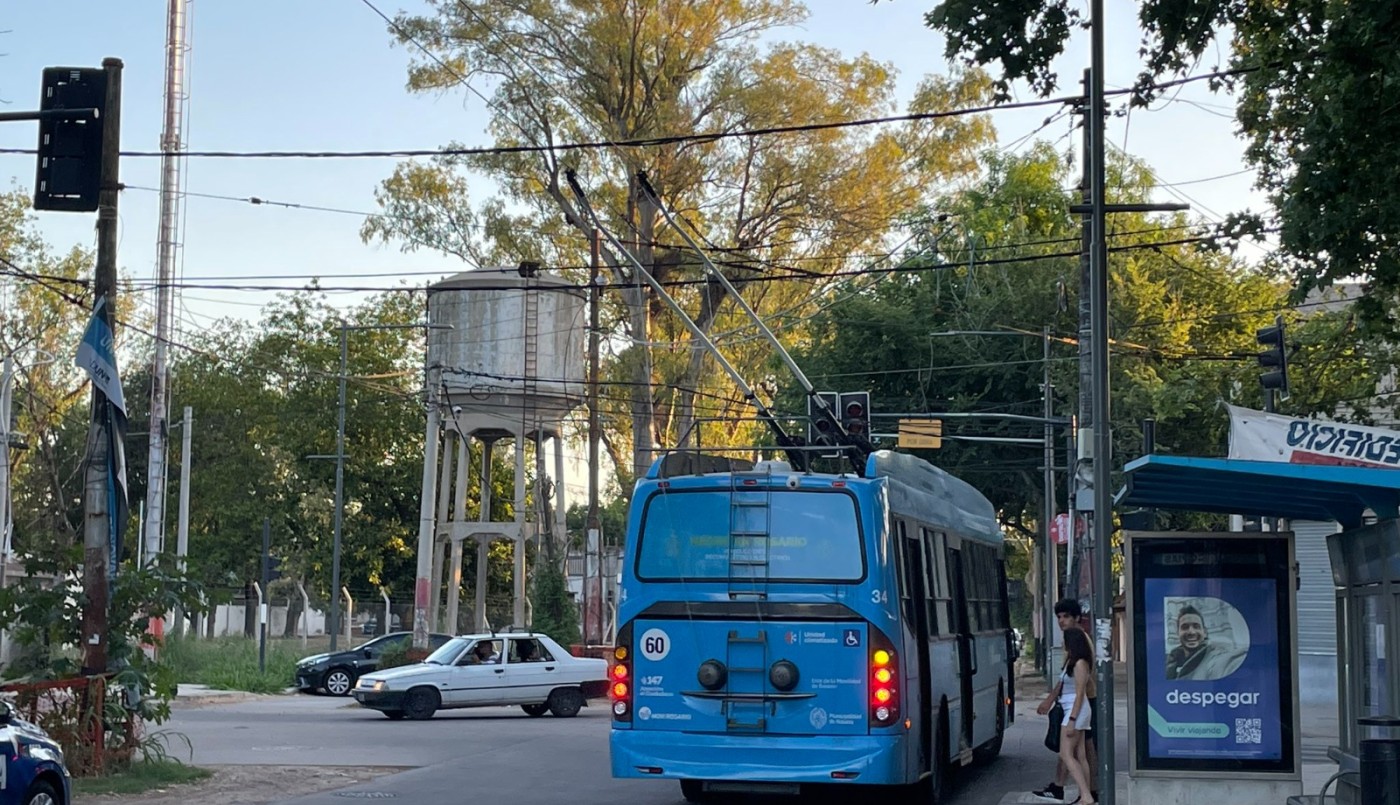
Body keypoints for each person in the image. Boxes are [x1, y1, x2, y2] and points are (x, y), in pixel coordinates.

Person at [1033, 599, 1100, 804]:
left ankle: (1088, 792)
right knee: (1077, 750)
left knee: (1080, 750)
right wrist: (1051, 700)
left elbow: (1076, 683)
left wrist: (1068, 713)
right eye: (1059, 617)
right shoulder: (1072, 641)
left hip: (1082, 702)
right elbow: (1064, 678)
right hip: (1076, 703)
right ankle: (1069, 788)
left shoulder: (1080, 642)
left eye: (1066, 617)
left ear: (1077, 618)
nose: (1062, 621)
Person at [1165, 603, 1247, 681]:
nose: (1191, 632)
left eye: (1196, 626)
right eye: (1185, 627)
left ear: (1205, 633)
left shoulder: (1214, 657)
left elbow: (1227, 662)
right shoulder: (1168, 663)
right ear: (1178, 633)